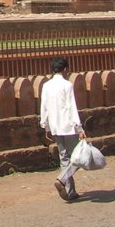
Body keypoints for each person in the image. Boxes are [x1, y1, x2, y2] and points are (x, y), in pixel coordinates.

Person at [39, 57, 87, 201]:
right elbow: (72, 106)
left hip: (55, 126)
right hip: (68, 126)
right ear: (65, 69)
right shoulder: (67, 85)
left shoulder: (46, 86)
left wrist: (45, 126)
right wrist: (79, 127)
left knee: (64, 158)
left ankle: (70, 191)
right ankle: (61, 180)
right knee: (79, 157)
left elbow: (44, 107)